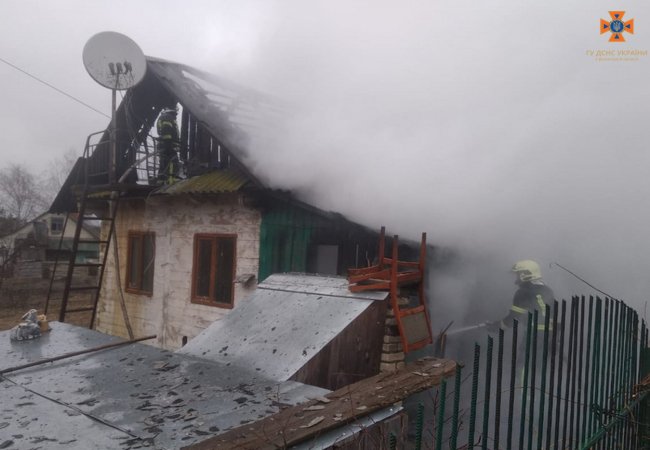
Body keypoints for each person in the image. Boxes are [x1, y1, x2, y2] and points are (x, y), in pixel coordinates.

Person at [498, 259, 555, 332]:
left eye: (518, 275)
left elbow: (513, 318)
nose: (517, 278)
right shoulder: (547, 290)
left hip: (535, 334)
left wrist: (496, 326)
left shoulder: (523, 292)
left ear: (524, 274)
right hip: (552, 334)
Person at [156, 106, 180, 182]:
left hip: (164, 144)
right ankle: (172, 180)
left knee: (164, 162)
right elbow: (166, 131)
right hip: (167, 144)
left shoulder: (166, 116)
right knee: (172, 161)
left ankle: (161, 180)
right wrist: (169, 145)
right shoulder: (167, 117)